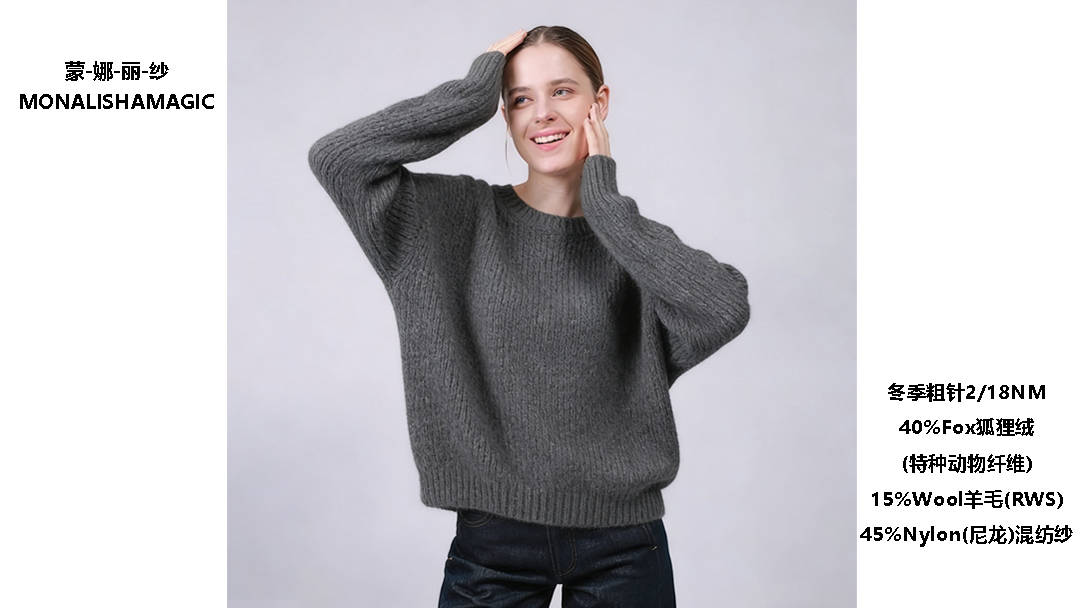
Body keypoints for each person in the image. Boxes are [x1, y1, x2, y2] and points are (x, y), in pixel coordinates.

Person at [307, 25, 750, 607]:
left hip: (625, 541)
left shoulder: (633, 243)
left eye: (562, 91)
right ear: (505, 114)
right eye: (520, 98)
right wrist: (470, 95)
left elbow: (723, 307)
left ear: (600, 103)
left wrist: (605, 205)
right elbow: (338, 159)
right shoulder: (445, 219)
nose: (542, 113)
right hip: (494, 541)